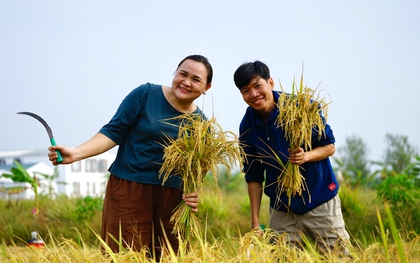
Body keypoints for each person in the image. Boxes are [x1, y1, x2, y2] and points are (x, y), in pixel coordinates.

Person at [48, 54, 213, 258]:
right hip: (130, 189)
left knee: (172, 256)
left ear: (207, 88)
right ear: (175, 73)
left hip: (173, 201)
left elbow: (197, 170)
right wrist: (76, 153)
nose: (186, 82)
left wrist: (193, 193)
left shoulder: (202, 125)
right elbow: (114, 131)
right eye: (183, 74)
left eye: (196, 79)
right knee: (124, 255)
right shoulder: (145, 95)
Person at [233, 61, 350, 255]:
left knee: (337, 257)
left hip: (319, 198)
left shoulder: (301, 108)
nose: (253, 94)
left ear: (270, 82)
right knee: (282, 258)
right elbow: (253, 175)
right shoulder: (248, 125)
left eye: (257, 86)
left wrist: (306, 156)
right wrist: (255, 221)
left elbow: (329, 147)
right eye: (246, 90)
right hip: (282, 207)